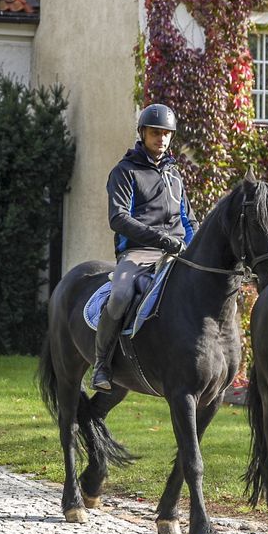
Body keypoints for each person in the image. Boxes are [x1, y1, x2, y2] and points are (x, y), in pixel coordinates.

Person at [90, 103, 197, 392]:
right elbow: (119, 219)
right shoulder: (124, 171)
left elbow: (188, 219)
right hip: (137, 252)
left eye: (166, 133)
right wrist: (162, 240)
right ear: (142, 133)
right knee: (121, 294)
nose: (160, 138)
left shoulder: (175, 174)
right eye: (154, 132)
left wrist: (194, 245)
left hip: (177, 252)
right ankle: (102, 364)